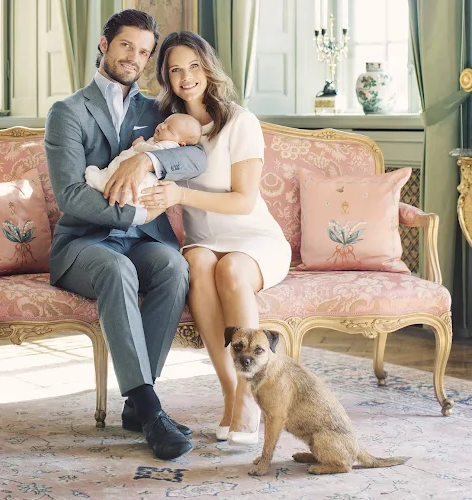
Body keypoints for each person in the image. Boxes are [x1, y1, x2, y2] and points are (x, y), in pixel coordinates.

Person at [44, 11, 206, 460]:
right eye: (125, 46)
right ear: (104, 44)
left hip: (144, 243)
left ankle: (137, 405)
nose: (134, 57)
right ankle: (151, 409)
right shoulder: (68, 112)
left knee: (174, 266)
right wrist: (134, 215)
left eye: (143, 51)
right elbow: (72, 195)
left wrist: (149, 163)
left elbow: (196, 159)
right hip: (85, 244)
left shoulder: (156, 110)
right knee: (116, 268)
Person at [140, 31, 291, 446]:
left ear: (207, 67)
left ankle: (250, 394)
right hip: (203, 242)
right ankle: (230, 391)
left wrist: (181, 194)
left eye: (193, 66)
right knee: (200, 263)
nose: (186, 76)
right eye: (174, 70)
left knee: (232, 269)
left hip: (255, 240)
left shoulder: (240, 121)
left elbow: (244, 201)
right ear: (166, 79)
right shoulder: (171, 130)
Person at [85, 113, 202, 207]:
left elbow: (153, 151)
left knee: (116, 182)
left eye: (169, 129)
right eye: (164, 122)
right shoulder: (161, 138)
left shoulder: (170, 145)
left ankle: (100, 183)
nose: (162, 126)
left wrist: (140, 143)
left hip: (141, 184)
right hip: (131, 176)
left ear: (180, 144)